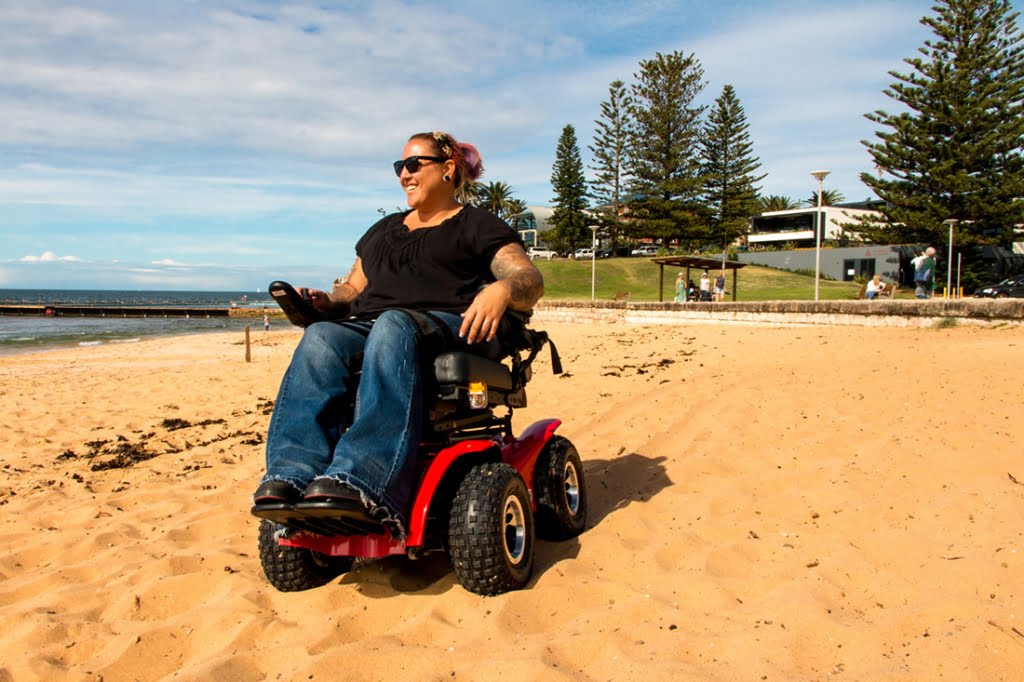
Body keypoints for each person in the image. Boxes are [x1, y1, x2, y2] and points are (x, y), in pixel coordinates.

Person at [252, 131, 544, 537]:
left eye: (413, 164)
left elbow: (528, 277)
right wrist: (326, 303)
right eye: (399, 167)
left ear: (447, 169)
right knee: (320, 336)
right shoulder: (383, 230)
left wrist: (503, 289)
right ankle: (293, 474)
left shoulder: (477, 224)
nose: (404, 174)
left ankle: (365, 479)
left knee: (392, 323)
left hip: (447, 327)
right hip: (377, 326)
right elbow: (352, 290)